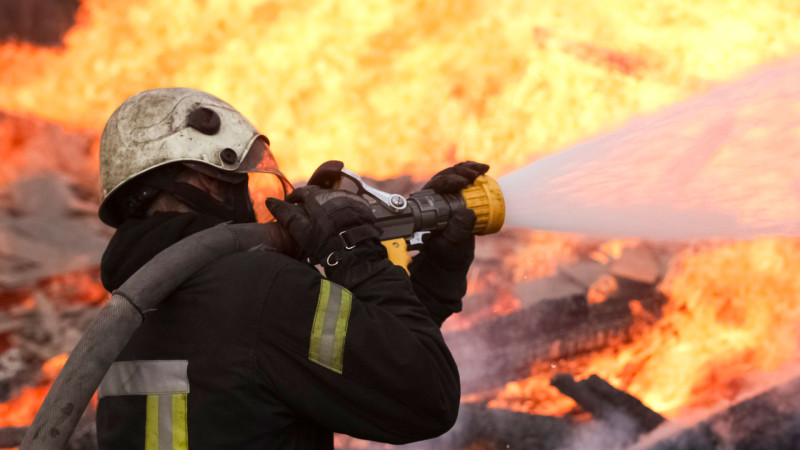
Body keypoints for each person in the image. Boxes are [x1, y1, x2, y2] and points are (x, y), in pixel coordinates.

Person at [95, 87, 488, 449]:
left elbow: (368, 365)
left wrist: (433, 280)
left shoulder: (123, 315)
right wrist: (353, 254)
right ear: (204, 178)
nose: (247, 196)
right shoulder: (261, 292)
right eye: (236, 179)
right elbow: (424, 397)